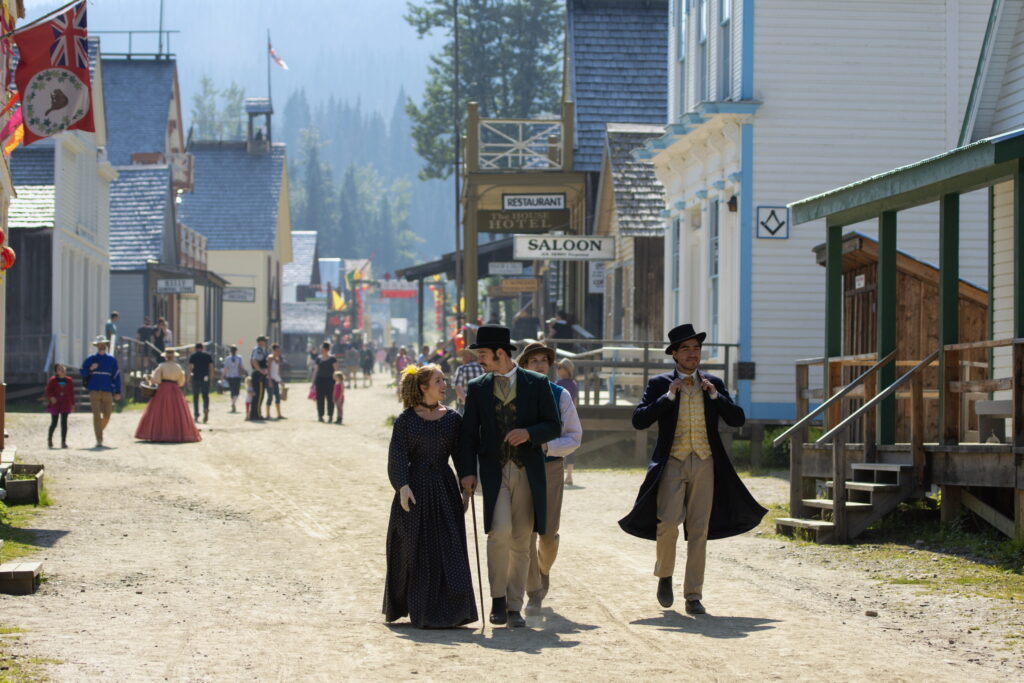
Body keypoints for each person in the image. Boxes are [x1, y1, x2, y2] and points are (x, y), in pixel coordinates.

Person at [619, 324, 767, 615]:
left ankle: (693, 594)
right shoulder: (660, 383)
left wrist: (716, 396)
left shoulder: (713, 382)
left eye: (696, 348)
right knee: (667, 523)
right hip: (672, 461)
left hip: (705, 462)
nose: (692, 354)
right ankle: (665, 575)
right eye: (685, 349)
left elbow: (737, 419)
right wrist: (667, 397)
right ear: (674, 354)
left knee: (699, 530)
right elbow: (639, 420)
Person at [457, 325, 561, 628]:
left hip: (528, 471)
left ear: (500, 354)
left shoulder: (537, 383)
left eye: (483, 356)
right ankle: (497, 599)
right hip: (494, 470)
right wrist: (466, 472)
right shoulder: (477, 387)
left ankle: (515, 606)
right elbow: (468, 435)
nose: (480, 362)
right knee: (499, 531)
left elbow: (553, 426)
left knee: (521, 538)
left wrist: (529, 433)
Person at [383, 364, 478, 629]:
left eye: (445, 380)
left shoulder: (452, 419)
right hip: (414, 492)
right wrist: (402, 485)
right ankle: (420, 610)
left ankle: (454, 611)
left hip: (445, 489)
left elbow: (461, 455)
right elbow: (397, 456)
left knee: (449, 549)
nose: (444, 384)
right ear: (424, 387)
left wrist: (466, 480)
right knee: (416, 550)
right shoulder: (405, 420)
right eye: (439, 380)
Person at [516, 342, 583, 617]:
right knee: (525, 531)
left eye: (544, 360)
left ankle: (544, 569)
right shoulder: (514, 396)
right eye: (534, 361)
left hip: (550, 468)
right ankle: (534, 592)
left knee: (547, 534)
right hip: (520, 469)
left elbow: (574, 437)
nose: (540, 364)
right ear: (525, 365)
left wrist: (546, 447)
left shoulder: (561, 395)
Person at [135, 349, 201, 443]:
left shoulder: (161, 366)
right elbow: (181, 382)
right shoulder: (178, 367)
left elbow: (156, 380)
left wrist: (150, 378)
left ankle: (160, 433)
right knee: (177, 411)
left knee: (159, 410)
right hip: (175, 389)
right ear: (174, 356)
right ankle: (176, 433)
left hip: (163, 389)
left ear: (165, 356)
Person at [80, 336, 121, 448]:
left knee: (107, 415)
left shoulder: (112, 360)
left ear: (106, 345)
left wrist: (118, 391)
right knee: (96, 415)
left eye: (103, 344)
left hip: (107, 390)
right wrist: (90, 369)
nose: (102, 346)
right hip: (94, 390)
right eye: (100, 344)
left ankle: (98, 430)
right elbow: (82, 372)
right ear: (97, 346)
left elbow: (116, 376)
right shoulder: (91, 359)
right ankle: (99, 439)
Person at [556, 358, 580, 485]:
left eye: (560, 367)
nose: (557, 370)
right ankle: (569, 475)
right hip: (570, 417)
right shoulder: (574, 384)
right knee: (570, 446)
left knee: (557, 445)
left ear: (566, 370)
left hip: (559, 418)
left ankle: (560, 474)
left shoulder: (559, 383)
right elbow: (574, 403)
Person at [44, 363, 75, 449]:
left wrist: (73, 404)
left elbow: (71, 393)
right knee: (54, 423)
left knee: (64, 423)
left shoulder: (69, 380)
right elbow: (48, 391)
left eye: (62, 368)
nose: (61, 370)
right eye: (59, 369)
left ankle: (63, 442)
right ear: (56, 372)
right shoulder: (53, 380)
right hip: (55, 404)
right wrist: (51, 397)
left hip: (65, 403)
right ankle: (50, 440)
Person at [188, 342, 214, 423]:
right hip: (205, 378)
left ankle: (196, 415)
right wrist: (211, 378)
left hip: (196, 378)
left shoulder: (193, 356)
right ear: (202, 348)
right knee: (205, 396)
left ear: (195, 348)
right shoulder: (207, 356)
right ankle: (206, 408)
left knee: (196, 397)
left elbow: (190, 368)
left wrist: (189, 379)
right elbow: (211, 368)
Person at [452, 349, 484, 413]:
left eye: (464, 355)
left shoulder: (461, 368)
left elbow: (458, 388)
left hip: (466, 407)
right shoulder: (485, 368)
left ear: (471, 356)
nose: (462, 358)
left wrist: (469, 403)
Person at [313, 342, 337, 423]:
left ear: (327, 349)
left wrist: (337, 381)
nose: (321, 351)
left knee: (330, 398)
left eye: (322, 349)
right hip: (320, 380)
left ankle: (330, 415)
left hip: (330, 380)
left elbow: (336, 370)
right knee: (320, 398)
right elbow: (316, 371)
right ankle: (320, 415)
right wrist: (313, 382)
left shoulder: (332, 358)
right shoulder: (318, 359)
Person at [250, 335, 270, 421]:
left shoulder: (260, 350)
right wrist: (261, 370)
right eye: (264, 341)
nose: (266, 342)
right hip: (259, 375)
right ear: (260, 342)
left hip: (258, 374)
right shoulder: (258, 350)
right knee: (259, 395)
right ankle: (257, 414)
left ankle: (255, 414)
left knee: (259, 395)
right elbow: (254, 361)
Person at [221, 345, 245, 413]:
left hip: (230, 376)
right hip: (237, 376)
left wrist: (222, 376)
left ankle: (232, 402)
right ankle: (233, 403)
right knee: (236, 391)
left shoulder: (227, 358)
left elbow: (225, 368)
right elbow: (242, 367)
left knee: (232, 390)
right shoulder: (239, 358)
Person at [266, 343, 285, 419]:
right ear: (273, 350)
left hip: (276, 379)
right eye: (277, 350)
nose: (278, 352)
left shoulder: (278, 359)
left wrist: (280, 380)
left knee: (277, 396)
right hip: (270, 379)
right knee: (270, 397)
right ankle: (268, 414)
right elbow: (269, 370)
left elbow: (276, 372)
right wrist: (270, 380)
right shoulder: (270, 358)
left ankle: (279, 414)